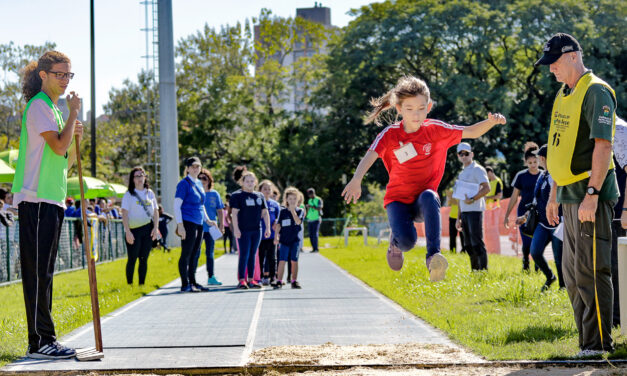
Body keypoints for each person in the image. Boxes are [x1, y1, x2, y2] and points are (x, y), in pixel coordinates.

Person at [342, 75, 506, 281]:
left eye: (421, 108)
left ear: (428, 107)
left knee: (430, 196)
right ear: (399, 109)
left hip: (422, 201)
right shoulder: (390, 134)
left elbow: (471, 132)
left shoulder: (435, 130)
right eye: (409, 109)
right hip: (398, 200)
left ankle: (433, 258)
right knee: (408, 242)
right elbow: (371, 154)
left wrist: (491, 122)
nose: (416, 114)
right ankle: (396, 242)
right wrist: (357, 179)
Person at [539, 33, 618, 356]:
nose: (551, 70)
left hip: (589, 196)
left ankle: (598, 344)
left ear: (573, 56)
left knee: (590, 269)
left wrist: (592, 194)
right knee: (571, 274)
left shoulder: (596, 91)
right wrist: (553, 193)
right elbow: (559, 144)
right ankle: (586, 343)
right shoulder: (564, 92)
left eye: (554, 63)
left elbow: (603, 145)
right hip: (567, 194)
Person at [11, 51, 83, 359]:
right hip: (36, 199)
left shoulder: (53, 110)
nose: (65, 80)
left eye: (69, 75)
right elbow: (56, 145)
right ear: (44, 75)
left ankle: (45, 338)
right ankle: (39, 341)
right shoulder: (40, 106)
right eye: (60, 74)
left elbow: (65, 162)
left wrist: (74, 130)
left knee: (47, 272)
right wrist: (72, 115)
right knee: (38, 273)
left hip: (53, 199)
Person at [522, 145, 564, 291]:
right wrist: (526, 215)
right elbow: (537, 199)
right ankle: (550, 276)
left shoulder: (557, 175)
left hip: (557, 223)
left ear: (544, 158)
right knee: (535, 252)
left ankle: (563, 286)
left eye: (539, 157)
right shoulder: (543, 174)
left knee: (559, 258)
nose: (537, 159)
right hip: (542, 222)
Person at [174, 157, 217, 293]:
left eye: (198, 166)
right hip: (187, 222)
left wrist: (208, 220)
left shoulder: (199, 183)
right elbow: (176, 206)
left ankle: (193, 282)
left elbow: (201, 205)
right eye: (193, 166)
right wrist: (180, 225)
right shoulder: (183, 184)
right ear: (187, 168)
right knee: (186, 253)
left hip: (199, 223)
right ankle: (184, 284)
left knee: (195, 253)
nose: (195, 169)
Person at [503, 142, 541, 271]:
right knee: (527, 242)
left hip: (538, 212)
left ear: (539, 160)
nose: (533, 165)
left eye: (535, 162)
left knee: (537, 241)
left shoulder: (543, 175)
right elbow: (514, 197)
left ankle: (538, 266)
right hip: (523, 212)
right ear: (526, 162)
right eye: (530, 163)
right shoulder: (521, 176)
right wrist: (507, 215)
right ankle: (525, 263)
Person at [230, 171, 271, 289]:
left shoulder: (259, 196)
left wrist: (267, 227)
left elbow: (265, 213)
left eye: (252, 181)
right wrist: (236, 229)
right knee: (244, 254)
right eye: (247, 181)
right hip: (243, 230)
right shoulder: (237, 196)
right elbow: (234, 213)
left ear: (255, 182)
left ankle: (251, 280)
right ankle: (242, 280)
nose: (249, 183)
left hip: (256, 230)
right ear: (242, 182)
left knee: (253, 254)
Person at [454, 143, 491, 270]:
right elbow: (459, 197)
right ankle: (475, 271)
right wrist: (458, 218)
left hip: (475, 210)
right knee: (468, 244)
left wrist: (473, 198)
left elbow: (487, 188)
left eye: (466, 153)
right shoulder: (461, 173)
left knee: (476, 242)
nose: (463, 156)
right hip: (464, 212)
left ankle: (483, 271)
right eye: (461, 154)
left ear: (472, 154)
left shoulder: (478, 169)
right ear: (458, 156)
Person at [121, 167, 159, 285]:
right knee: (132, 259)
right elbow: (124, 214)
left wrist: (155, 228)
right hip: (133, 231)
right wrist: (127, 231)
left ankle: (141, 284)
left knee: (144, 259)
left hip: (147, 229)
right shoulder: (129, 195)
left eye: (141, 175)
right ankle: (130, 284)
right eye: (137, 176)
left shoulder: (150, 193)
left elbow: (156, 211)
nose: (139, 179)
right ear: (132, 179)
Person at [611, 117, 627, 328]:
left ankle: (618, 319)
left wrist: (625, 209)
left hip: (619, 215)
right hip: (610, 212)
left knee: (617, 267)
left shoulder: (620, 130)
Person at [275, 187, 305, 289]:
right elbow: (278, 225)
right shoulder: (282, 212)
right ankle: (279, 280)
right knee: (282, 261)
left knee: (294, 261)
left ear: (298, 200)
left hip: (294, 241)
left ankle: (294, 280)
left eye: (294, 199)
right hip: (284, 241)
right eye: (290, 199)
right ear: (286, 199)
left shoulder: (300, 211)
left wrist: (293, 211)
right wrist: (276, 237)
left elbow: (298, 222)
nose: (292, 201)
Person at [199, 168, 224, 285]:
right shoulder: (195, 193)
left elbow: (220, 210)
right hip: (197, 227)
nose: (203, 181)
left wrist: (221, 225)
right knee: (196, 252)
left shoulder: (215, 194)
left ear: (209, 180)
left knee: (210, 253)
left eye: (205, 178)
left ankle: (211, 276)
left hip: (211, 228)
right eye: (200, 178)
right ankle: (191, 277)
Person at [258, 180, 280, 285]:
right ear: (260, 190)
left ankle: (273, 277)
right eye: (264, 189)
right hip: (260, 236)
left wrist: (276, 222)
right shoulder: (257, 203)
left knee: (272, 257)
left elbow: (279, 218)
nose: (267, 191)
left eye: (269, 189)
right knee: (260, 257)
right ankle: (261, 277)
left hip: (272, 235)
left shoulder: (275, 204)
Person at [445, 187, 465, 253]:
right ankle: (452, 250)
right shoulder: (451, 190)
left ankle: (464, 250)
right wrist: (449, 199)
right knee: (452, 235)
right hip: (452, 216)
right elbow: (448, 203)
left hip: (461, 216)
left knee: (463, 235)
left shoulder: (463, 190)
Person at [305, 188, 323, 252]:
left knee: (315, 234)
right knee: (310, 235)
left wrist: (311, 206)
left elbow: (319, 208)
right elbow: (308, 209)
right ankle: (313, 248)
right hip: (310, 219)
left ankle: (316, 248)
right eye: (308, 194)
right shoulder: (309, 200)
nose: (309, 196)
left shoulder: (318, 199)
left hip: (316, 219)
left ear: (313, 193)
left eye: (310, 194)